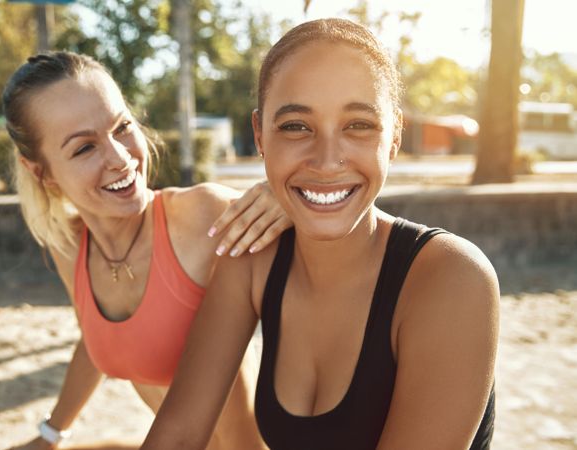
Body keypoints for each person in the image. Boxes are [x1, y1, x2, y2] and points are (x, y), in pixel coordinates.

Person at [141, 18, 499, 450]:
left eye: (358, 125)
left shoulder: (451, 276)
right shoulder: (252, 257)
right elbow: (177, 436)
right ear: (259, 134)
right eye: (296, 126)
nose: (327, 161)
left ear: (395, 137)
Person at [2, 51, 288, 450]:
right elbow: (96, 339)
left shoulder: (204, 218)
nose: (120, 158)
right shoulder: (70, 248)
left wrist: (294, 201)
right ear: (40, 171)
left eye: (121, 127)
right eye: (84, 148)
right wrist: (51, 434)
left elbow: (346, 279)